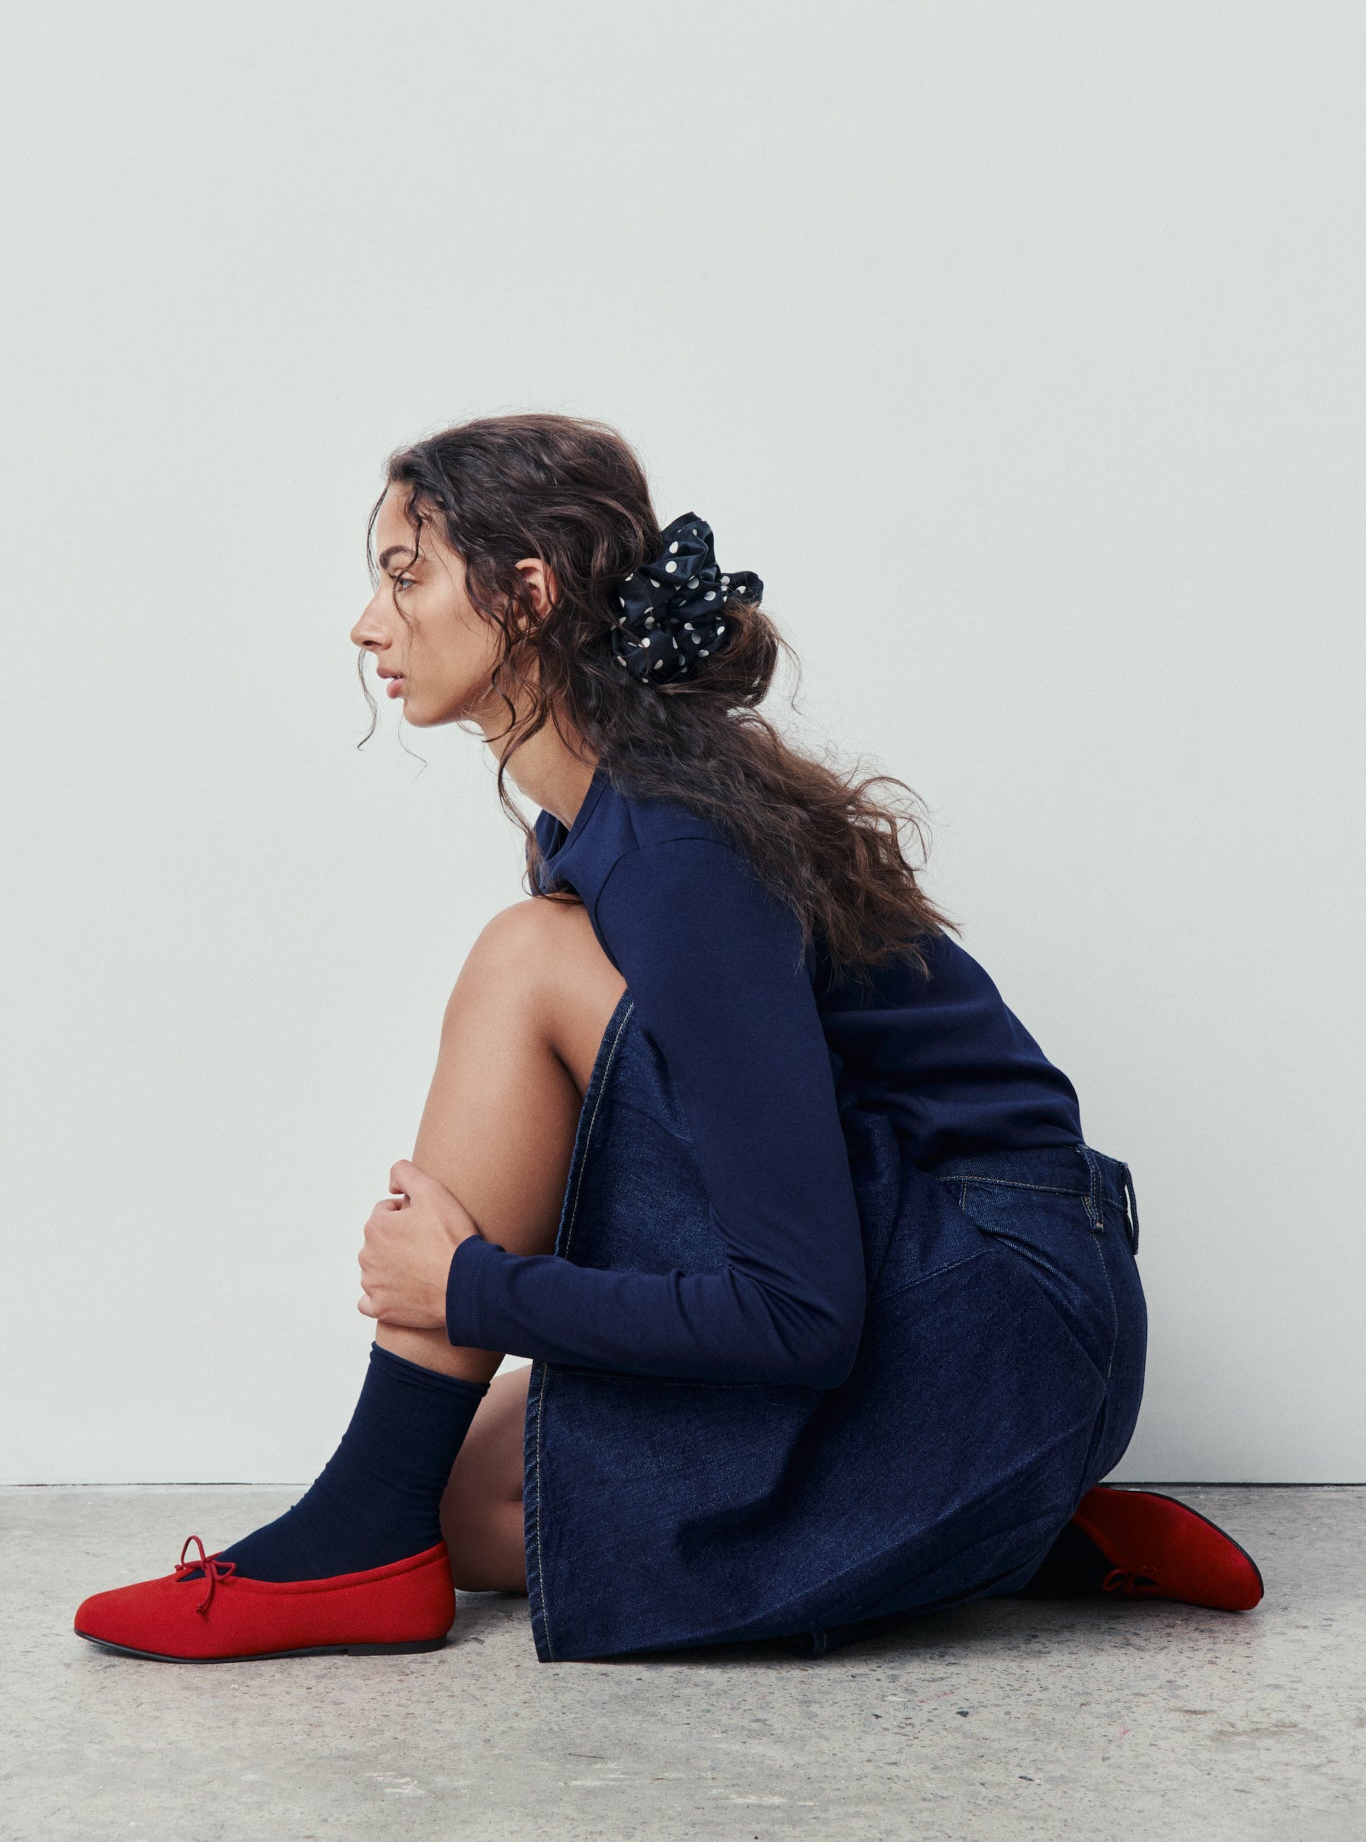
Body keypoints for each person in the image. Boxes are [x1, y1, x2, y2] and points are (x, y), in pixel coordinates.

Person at [72, 414, 1263, 1664]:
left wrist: (465, 1284)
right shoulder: (624, 823)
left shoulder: (676, 856)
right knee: (465, 1489)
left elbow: (804, 1315)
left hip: (1001, 1316)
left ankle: (361, 1546)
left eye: (404, 573)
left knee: (520, 959)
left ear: (525, 592)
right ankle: (1013, 1534)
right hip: (987, 1312)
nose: (368, 621)